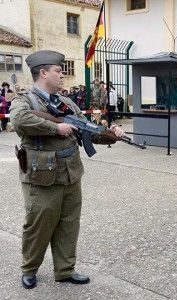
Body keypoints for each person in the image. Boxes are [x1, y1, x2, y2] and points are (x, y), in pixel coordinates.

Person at [9, 50, 124, 289]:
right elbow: (19, 121)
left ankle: (65, 269)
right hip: (41, 176)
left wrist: (112, 134)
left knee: (69, 223)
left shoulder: (67, 102)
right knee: (39, 224)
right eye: (58, 71)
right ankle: (29, 268)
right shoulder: (25, 101)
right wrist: (56, 127)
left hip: (71, 173)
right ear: (43, 73)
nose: (63, 76)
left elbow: (87, 130)